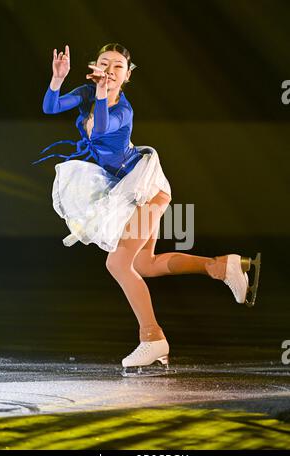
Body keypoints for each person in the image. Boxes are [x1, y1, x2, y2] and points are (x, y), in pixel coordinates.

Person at [32, 43, 261, 376]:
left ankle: (152, 337)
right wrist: (57, 79)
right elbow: (51, 106)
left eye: (117, 67)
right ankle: (223, 266)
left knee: (118, 263)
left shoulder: (123, 110)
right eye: (105, 63)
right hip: (127, 188)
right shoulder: (86, 92)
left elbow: (100, 129)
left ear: (127, 75)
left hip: (146, 187)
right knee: (144, 264)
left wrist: (100, 92)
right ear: (95, 65)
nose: (109, 70)